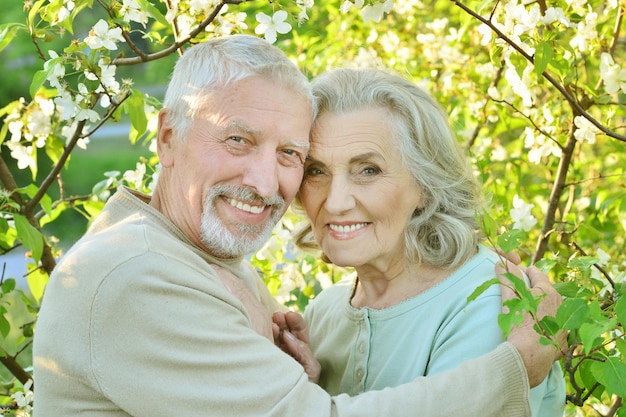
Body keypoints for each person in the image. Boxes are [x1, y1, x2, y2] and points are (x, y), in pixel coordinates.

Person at [33, 34, 563, 417]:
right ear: (168, 137)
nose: (266, 184)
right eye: (237, 139)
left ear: (425, 182)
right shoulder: (138, 273)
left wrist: (287, 382)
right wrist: (517, 366)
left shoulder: (487, 298)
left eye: (290, 154)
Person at [281, 67, 565, 416]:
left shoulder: (486, 300)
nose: (336, 201)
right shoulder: (323, 314)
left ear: (425, 186)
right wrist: (303, 396)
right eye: (316, 171)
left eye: (368, 170)